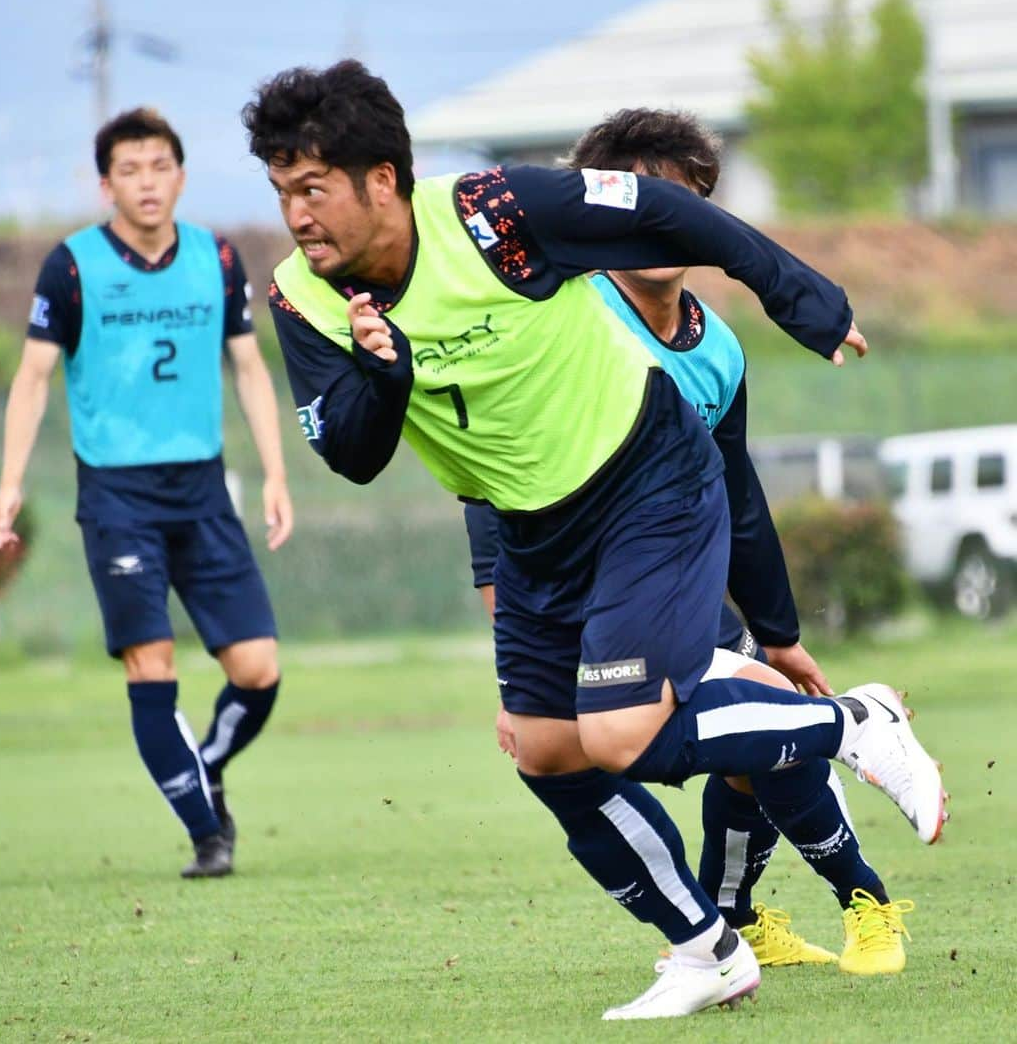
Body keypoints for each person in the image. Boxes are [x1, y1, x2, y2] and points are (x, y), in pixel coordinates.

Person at [244, 60, 946, 1019]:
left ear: (382, 181)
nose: (296, 217)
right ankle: (709, 950)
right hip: (533, 530)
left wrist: (798, 294)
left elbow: (675, 216)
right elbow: (354, 456)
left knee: (619, 734)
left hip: (643, 482)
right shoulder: (300, 299)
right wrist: (387, 374)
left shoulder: (499, 211)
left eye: (313, 190)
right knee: (549, 753)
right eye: (282, 192)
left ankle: (857, 725)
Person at [462, 107, 916, 975]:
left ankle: (836, 911)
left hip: (679, 583)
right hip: (578, 597)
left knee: (759, 733)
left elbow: (738, 498)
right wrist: (516, 654)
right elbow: (494, 472)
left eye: (678, 202)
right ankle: (788, 891)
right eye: (637, 200)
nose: (656, 222)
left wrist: (780, 632)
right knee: (638, 750)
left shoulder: (719, 350)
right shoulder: (566, 322)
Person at [0, 108, 293, 880]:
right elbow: (32, 377)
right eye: (130, 169)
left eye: (160, 167)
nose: (147, 182)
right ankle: (206, 834)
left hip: (202, 489)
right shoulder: (74, 266)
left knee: (258, 669)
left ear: (181, 177)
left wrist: (278, 473)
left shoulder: (216, 258)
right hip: (118, 497)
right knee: (150, 663)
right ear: (106, 184)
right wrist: (11, 482)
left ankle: (205, 762)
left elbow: (249, 368)